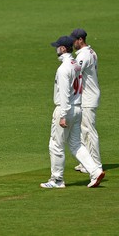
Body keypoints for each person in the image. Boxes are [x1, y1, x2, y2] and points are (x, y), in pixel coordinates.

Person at [40, 36, 105, 189]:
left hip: (66, 109)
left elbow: (63, 93)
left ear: (63, 48)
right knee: (76, 144)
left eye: (58, 47)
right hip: (78, 108)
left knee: (56, 145)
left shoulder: (63, 69)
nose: (56, 49)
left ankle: (57, 180)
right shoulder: (75, 64)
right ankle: (95, 171)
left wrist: (63, 115)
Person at [70, 29, 102, 174]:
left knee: (89, 131)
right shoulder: (91, 52)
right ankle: (86, 163)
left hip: (88, 97)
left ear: (81, 40)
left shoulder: (84, 55)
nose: (73, 42)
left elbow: (74, 72)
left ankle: (96, 164)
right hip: (87, 96)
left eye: (74, 40)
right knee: (84, 131)